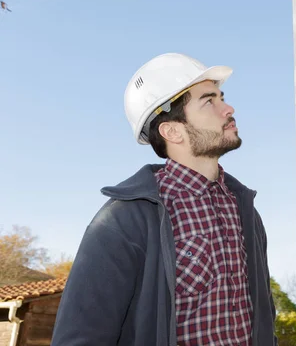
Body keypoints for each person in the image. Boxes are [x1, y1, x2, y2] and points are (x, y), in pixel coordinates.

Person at [51, 53, 277, 345]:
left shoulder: (244, 210)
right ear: (172, 131)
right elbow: (81, 337)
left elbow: (263, 313)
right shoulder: (123, 220)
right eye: (210, 101)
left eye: (222, 97)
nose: (228, 108)